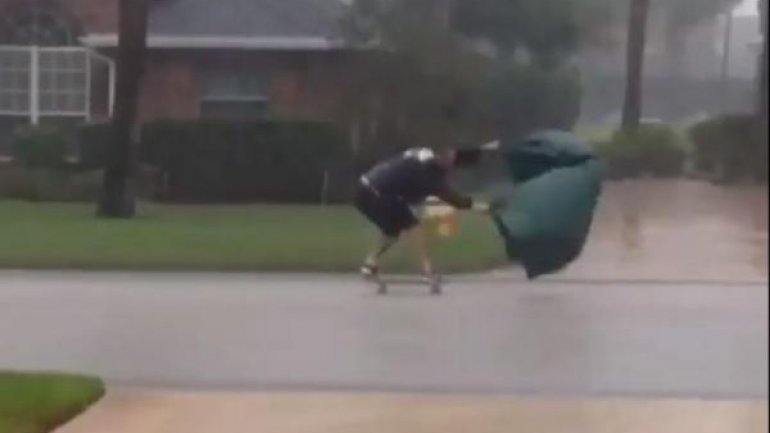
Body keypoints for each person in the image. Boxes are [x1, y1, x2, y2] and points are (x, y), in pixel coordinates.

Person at [354, 146, 491, 283]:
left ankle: (370, 264)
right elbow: (455, 200)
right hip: (378, 194)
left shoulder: (423, 152)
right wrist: (477, 206)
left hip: (361, 190)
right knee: (413, 226)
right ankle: (427, 271)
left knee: (392, 231)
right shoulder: (432, 177)